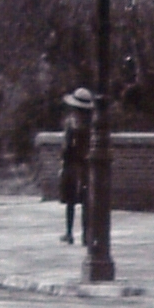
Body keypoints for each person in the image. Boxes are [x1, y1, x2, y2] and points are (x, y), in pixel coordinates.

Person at [55, 86, 94, 245]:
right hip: (86, 165)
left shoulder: (71, 123)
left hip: (71, 165)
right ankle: (86, 235)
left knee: (70, 201)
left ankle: (69, 232)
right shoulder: (91, 125)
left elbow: (66, 147)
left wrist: (63, 162)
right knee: (86, 202)